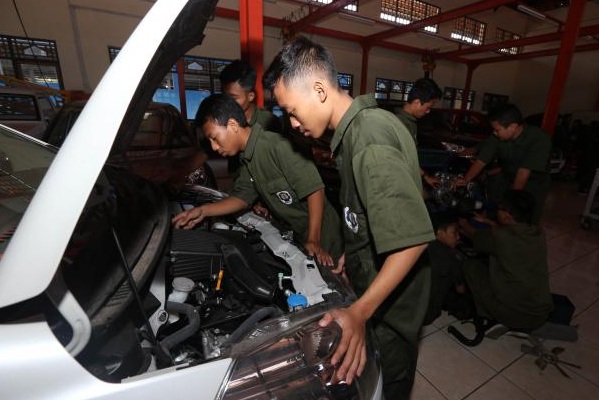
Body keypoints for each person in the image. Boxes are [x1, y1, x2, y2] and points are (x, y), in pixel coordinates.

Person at [263, 36, 434, 399]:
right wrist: (355, 252)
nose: (292, 124)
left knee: (388, 379)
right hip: (378, 281)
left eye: (292, 110)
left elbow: (413, 238)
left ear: (320, 90)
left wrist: (359, 312)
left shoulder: (368, 140)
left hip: (392, 301)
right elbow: (381, 210)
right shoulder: (362, 129)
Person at [173, 94, 342, 267]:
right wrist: (202, 212)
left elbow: (315, 190)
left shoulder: (278, 147)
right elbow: (241, 198)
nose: (214, 147)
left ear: (232, 125)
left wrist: (314, 240)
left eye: (215, 138)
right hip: (298, 235)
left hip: (324, 236)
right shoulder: (247, 158)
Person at [460, 190, 553, 331]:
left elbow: (471, 233)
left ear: (507, 215)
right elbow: (510, 232)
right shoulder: (538, 233)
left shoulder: (501, 238)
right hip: (541, 313)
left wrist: (461, 220)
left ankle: (486, 315)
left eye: (500, 209)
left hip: (515, 316)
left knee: (469, 265)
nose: (497, 212)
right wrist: (487, 221)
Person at [456, 104, 551, 224]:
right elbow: (481, 161)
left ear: (512, 127)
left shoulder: (538, 138)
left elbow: (523, 172)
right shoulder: (497, 137)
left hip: (534, 184)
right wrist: (465, 180)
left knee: (523, 217)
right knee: (498, 211)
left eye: (497, 130)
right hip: (508, 177)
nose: (494, 133)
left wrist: (511, 205)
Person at [396, 78, 443, 188]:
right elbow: (406, 160)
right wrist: (425, 176)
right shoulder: (401, 124)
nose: (428, 111)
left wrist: (425, 177)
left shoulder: (409, 122)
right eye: (428, 107)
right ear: (417, 102)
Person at [424, 214, 466, 324]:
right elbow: (460, 289)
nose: (458, 237)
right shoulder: (451, 256)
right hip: (428, 314)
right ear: (439, 233)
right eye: (454, 232)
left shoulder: (420, 247)